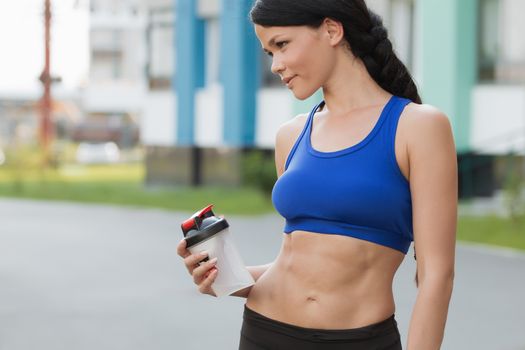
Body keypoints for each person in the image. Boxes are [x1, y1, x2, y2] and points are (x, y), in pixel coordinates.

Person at [177, 0, 457, 349]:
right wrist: (226, 277)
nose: (276, 65)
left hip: (360, 340)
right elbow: (297, 263)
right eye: (268, 53)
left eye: (281, 45)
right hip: (265, 332)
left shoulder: (418, 126)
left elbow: (437, 276)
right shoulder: (291, 135)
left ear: (331, 30)